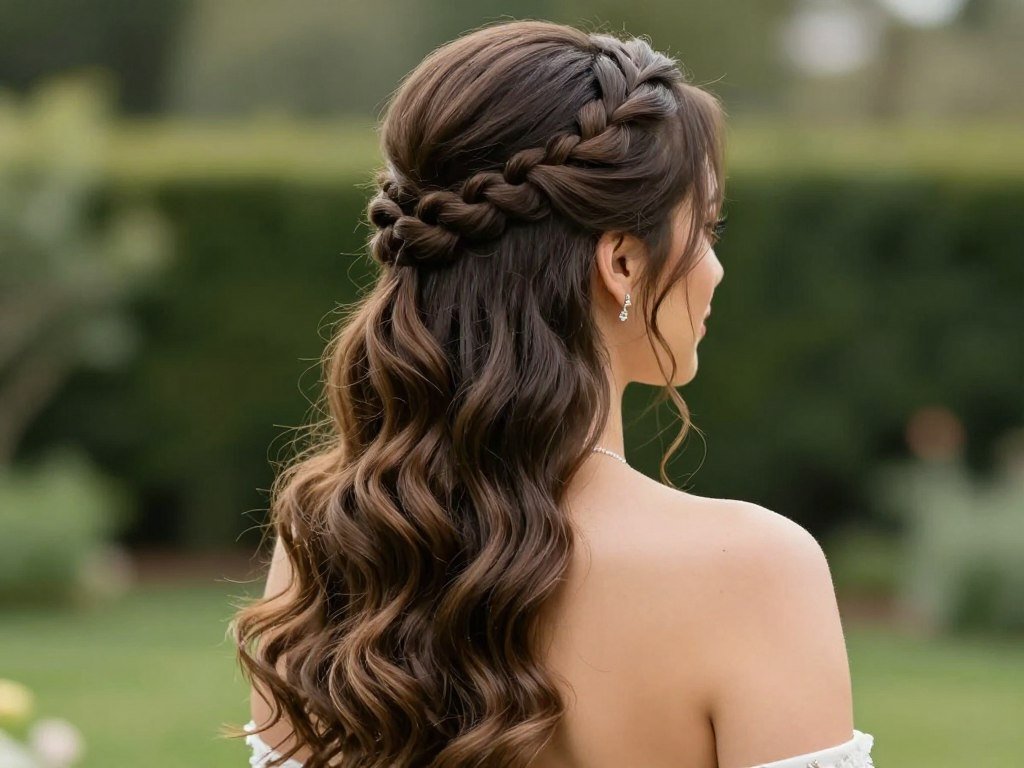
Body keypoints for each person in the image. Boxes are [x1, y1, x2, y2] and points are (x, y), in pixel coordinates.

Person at [228, 19, 876, 768]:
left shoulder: (328, 543)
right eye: (707, 227)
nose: (716, 267)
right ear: (622, 262)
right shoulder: (754, 573)